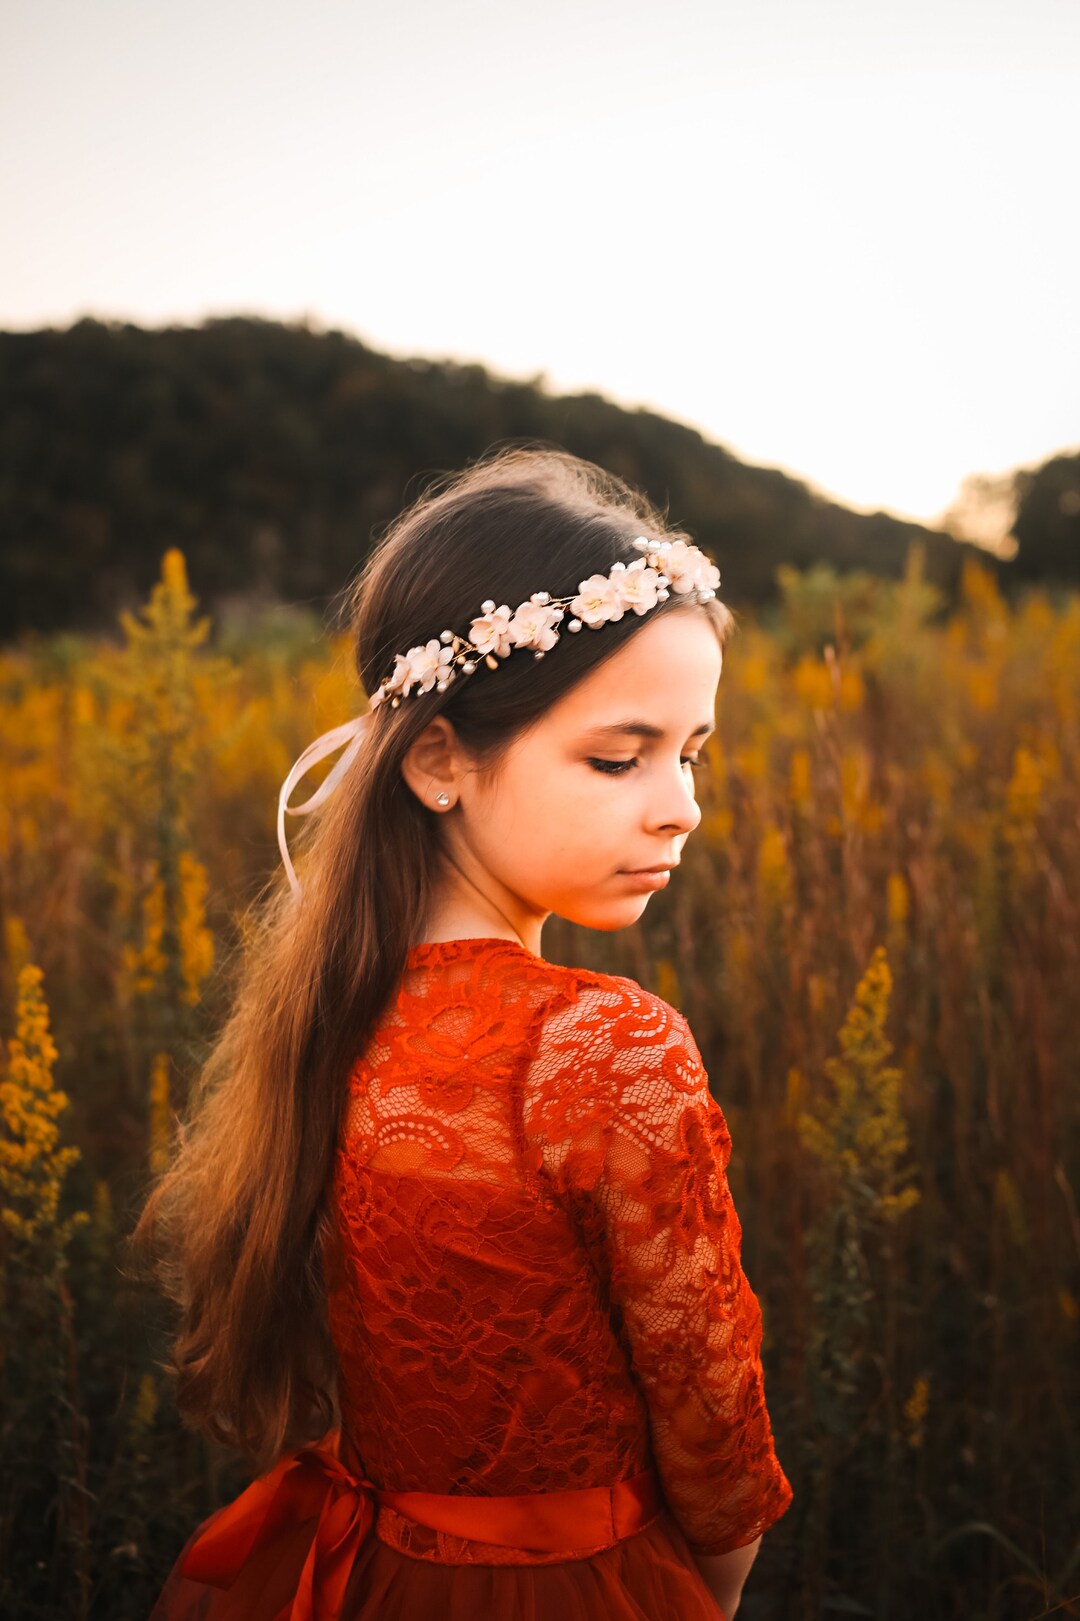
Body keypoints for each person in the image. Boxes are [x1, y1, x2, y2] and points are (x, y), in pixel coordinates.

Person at [136, 445, 793, 1621]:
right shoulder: (606, 1048)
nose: (682, 803)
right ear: (440, 757)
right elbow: (718, 1446)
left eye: (691, 754)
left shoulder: (325, 1004)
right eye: (617, 755)